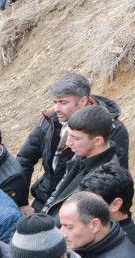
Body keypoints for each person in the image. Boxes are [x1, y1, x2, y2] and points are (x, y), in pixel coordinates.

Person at [23, 73, 130, 215]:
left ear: (82, 101)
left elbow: (114, 182)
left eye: (63, 102)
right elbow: (25, 158)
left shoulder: (111, 129)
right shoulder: (51, 118)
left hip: (79, 211)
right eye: (55, 102)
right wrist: (21, 201)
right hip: (45, 199)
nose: (56, 108)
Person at [36, 104, 128, 218]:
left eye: (76, 138)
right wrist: (43, 220)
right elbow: (57, 194)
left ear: (98, 141)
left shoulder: (105, 181)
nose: (68, 143)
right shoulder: (80, 155)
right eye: (69, 135)